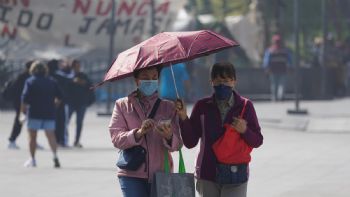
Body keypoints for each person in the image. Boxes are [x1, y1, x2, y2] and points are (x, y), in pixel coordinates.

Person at [175, 62, 263, 197]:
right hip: (207, 173)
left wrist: (245, 130)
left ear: (234, 81)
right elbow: (190, 142)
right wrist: (183, 118)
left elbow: (257, 140)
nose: (223, 85)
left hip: (236, 174)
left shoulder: (245, 106)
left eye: (227, 80)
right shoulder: (202, 106)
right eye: (218, 81)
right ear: (211, 82)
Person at [109, 66, 182, 197]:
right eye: (145, 77)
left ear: (159, 80)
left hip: (161, 174)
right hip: (131, 173)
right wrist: (138, 133)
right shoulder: (122, 105)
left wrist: (169, 136)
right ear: (136, 80)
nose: (150, 81)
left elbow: (178, 144)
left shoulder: (169, 107)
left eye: (154, 78)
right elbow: (116, 138)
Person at [21, 61, 63, 168]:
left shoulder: (30, 81)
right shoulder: (52, 81)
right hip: (49, 112)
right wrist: (55, 106)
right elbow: (60, 97)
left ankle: (33, 159)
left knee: (32, 137)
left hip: (34, 112)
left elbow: (24, 99)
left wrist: (23, 113)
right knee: (51, 136)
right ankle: (55, 156)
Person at [68, 60, 95, 148]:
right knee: (65, 122)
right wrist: (73, 81)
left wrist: (83, 82)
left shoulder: (84, 75)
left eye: (79, 66)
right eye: (76, 66)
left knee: (79, 123)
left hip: (82, 103)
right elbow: (64, 85)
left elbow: (91, 86)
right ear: (73, 67)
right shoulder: (68, 75)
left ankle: (76, 141)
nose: (78, 68)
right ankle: (63, 139)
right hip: (71, 102)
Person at [7, 61, 32, 149]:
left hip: (22, 103)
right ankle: (12, 140)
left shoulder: (24, 76)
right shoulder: (25, 77)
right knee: (19, 122)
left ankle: (33, 141)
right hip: (21, 104)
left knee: (30, 123)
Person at [262, 34, 292, 101]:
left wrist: (266, 68)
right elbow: (290, 60)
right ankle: (279, 97)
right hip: (281, 70)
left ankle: (276, 97)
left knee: (275, 85)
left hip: (275, 70)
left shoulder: (270, 50)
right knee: (281, 85)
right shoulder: (285, 50)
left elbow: (266, 61)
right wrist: (289, 67)